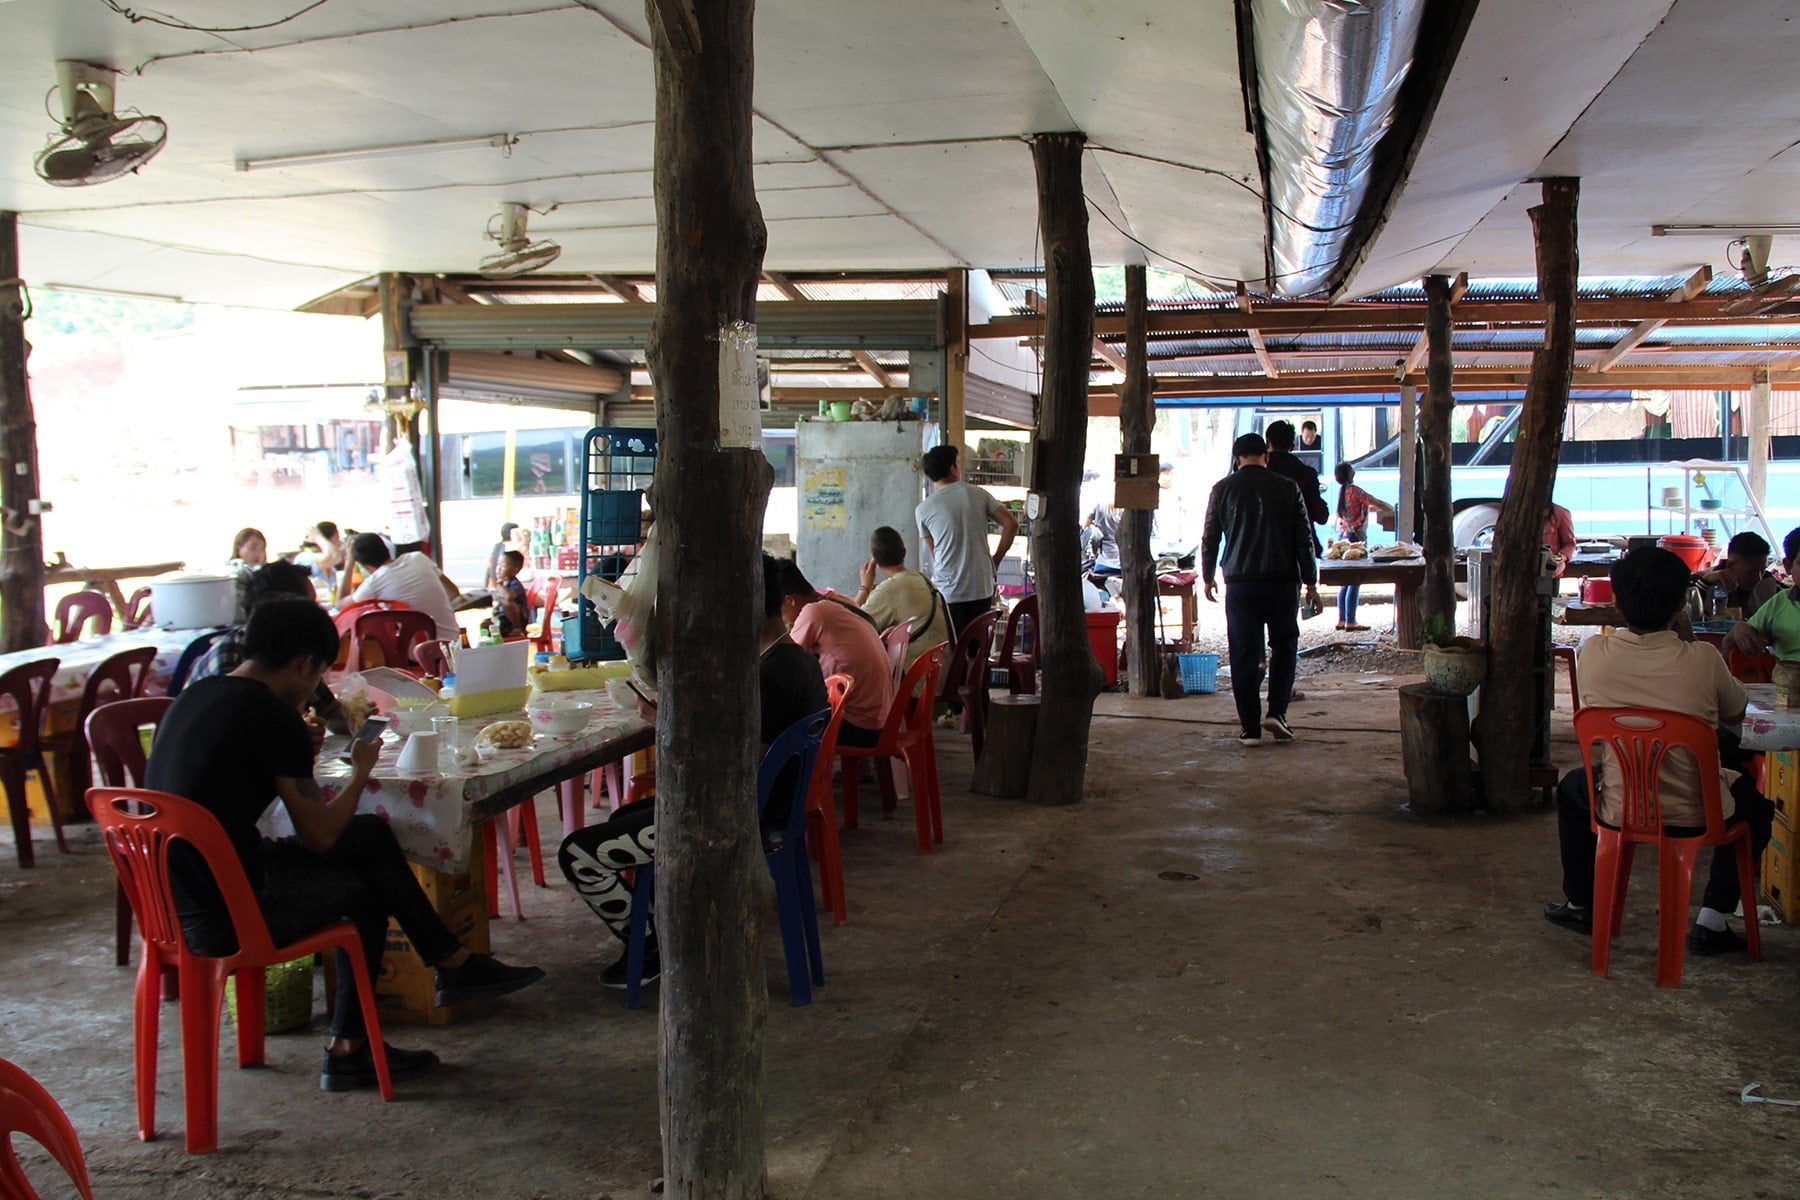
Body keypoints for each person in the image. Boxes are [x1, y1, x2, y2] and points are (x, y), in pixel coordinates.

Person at [144, 598, 544, 1091]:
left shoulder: (198, 694)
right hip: (229, 911)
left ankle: (452, 963)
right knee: (365, 888)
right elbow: (320, 836)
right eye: (320, 675)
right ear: (304, 664)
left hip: (168, 901)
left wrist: (296, 758)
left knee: (371, 837)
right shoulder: (273, 716)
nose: (319, 689)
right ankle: (351, 1047)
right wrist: (360, 771)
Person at [556, 555, 827, 988]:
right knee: (620, 821)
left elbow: (733, 767)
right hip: (770, 806)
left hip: (733, 820)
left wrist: (667, 726)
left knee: (577, 852)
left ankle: (648, 947)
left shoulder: (769, 675)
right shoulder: (793, 660)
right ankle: (662, 932)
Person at [1543, 547, 1770, 956]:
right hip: (1699, 812)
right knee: (1759, 810)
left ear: (1615, 603)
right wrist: (1691, 639)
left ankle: (1581, 902)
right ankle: (1712, 921)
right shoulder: (1702, 658)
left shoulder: (1592, 654)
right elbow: (1736, 712)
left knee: (1574, 790)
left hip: (1619, 804)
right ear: (1683, 603)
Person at [1202, 432, 1321, 746]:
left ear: (1237, 457)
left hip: (1240, 583)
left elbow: (1210, 537)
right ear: (1266, 456)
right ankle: (1277, 713)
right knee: (1284, 647)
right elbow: (1303, 539)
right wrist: (1311, 581)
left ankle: (1249, 728)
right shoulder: (1287, 487)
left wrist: (1207, 575)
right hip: (1282, 581)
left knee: (1244, 653)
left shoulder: (1222, 489)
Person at [777, 558, 894, 747]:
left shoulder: (813, 612)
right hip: (880, 719)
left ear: (790, 600)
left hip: (858, 727)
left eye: (778, 611)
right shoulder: (840, 601)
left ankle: (802, 776)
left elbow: (785, 661)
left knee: (784, 715)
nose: (780, 618)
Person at [916, 444, 1019, 637]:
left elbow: (935, 552)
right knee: (978, 651)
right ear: (953, 468)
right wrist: (994, 561)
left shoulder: (923, 509)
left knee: (956, 652)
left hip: (948, 591)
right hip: (980, 586)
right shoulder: (978, 494)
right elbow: (1011, 524)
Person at [853, 525, 950, 669]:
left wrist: (865, 587)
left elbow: (852, 625)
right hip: (941, 670)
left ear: (875, 562)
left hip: (917, 681)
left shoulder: (889, 589)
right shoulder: (923, 579)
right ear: (904, 553)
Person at [347, 532, 462, 642]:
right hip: (454, 643)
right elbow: (453, 592)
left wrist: (348, 564)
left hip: (422, 654)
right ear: (386, 549)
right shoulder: (418, 558)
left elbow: (339, 605)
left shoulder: (373, 583)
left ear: (363, 565)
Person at [1332, 462, 1394, 632]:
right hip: (1356, 538)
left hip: (1344, 537)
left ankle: (1341, 619)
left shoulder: (1342, 492)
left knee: (1346, 579)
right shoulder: (1356, 491)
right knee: (1355, 579)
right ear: (1350, 475)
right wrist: (1392, 510)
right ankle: (1351, 620)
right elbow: (1377, 502)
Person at [1726, 527, 1800, 660]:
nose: (1759, 578)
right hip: (1785, 678)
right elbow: (1728, 644)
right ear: (1788, 566)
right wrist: (1738, 630)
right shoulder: (1779, 603)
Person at [1262, 420, 1328, 556]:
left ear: (1267, 443)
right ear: (1292, 446)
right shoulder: (1306, 473)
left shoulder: (1258, 475)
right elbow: (1321, 516)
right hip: (1300, 551)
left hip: (1265, 551)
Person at [1700, 531, 1781, 618]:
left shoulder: (1769, 584)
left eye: (1763, 570)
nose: (1759, 578)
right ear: (1730, 565)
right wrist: (1704, 583)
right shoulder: (1702, 580)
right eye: (1752, 572)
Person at [1082, 498, 1122, 582]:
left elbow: (1085, 528)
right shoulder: (1126, 509)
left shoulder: (1098, 505)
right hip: (1121, 564)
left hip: (1102, 564)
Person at [495, 549, 532, 638]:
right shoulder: (505, 583)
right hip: (503, 617)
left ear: (515, 571)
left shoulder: (514, 583)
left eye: (503, 566)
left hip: (519, 620)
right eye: (498, 565)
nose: (498, 569)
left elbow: (509, 597)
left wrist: (499, 586)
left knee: (507, 602)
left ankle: (518, 629)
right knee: (485, 624)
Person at [302, 521, 344, 592]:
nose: (340, 543)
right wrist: (318, 538)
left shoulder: (329, 564)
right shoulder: (305, 557)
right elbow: (334, 556)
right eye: (337, 538)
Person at [1543, 503, 1578, 577]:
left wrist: (1558, 558)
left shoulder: (1560, 513)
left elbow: (1570, 544)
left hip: (1550, 573)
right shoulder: (1516, 512)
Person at [484, 522, 520, 590]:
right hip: (500, 587)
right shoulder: (510, 547)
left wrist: (485, 587)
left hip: (494, 586)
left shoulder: (497, 546)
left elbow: (489, 568)